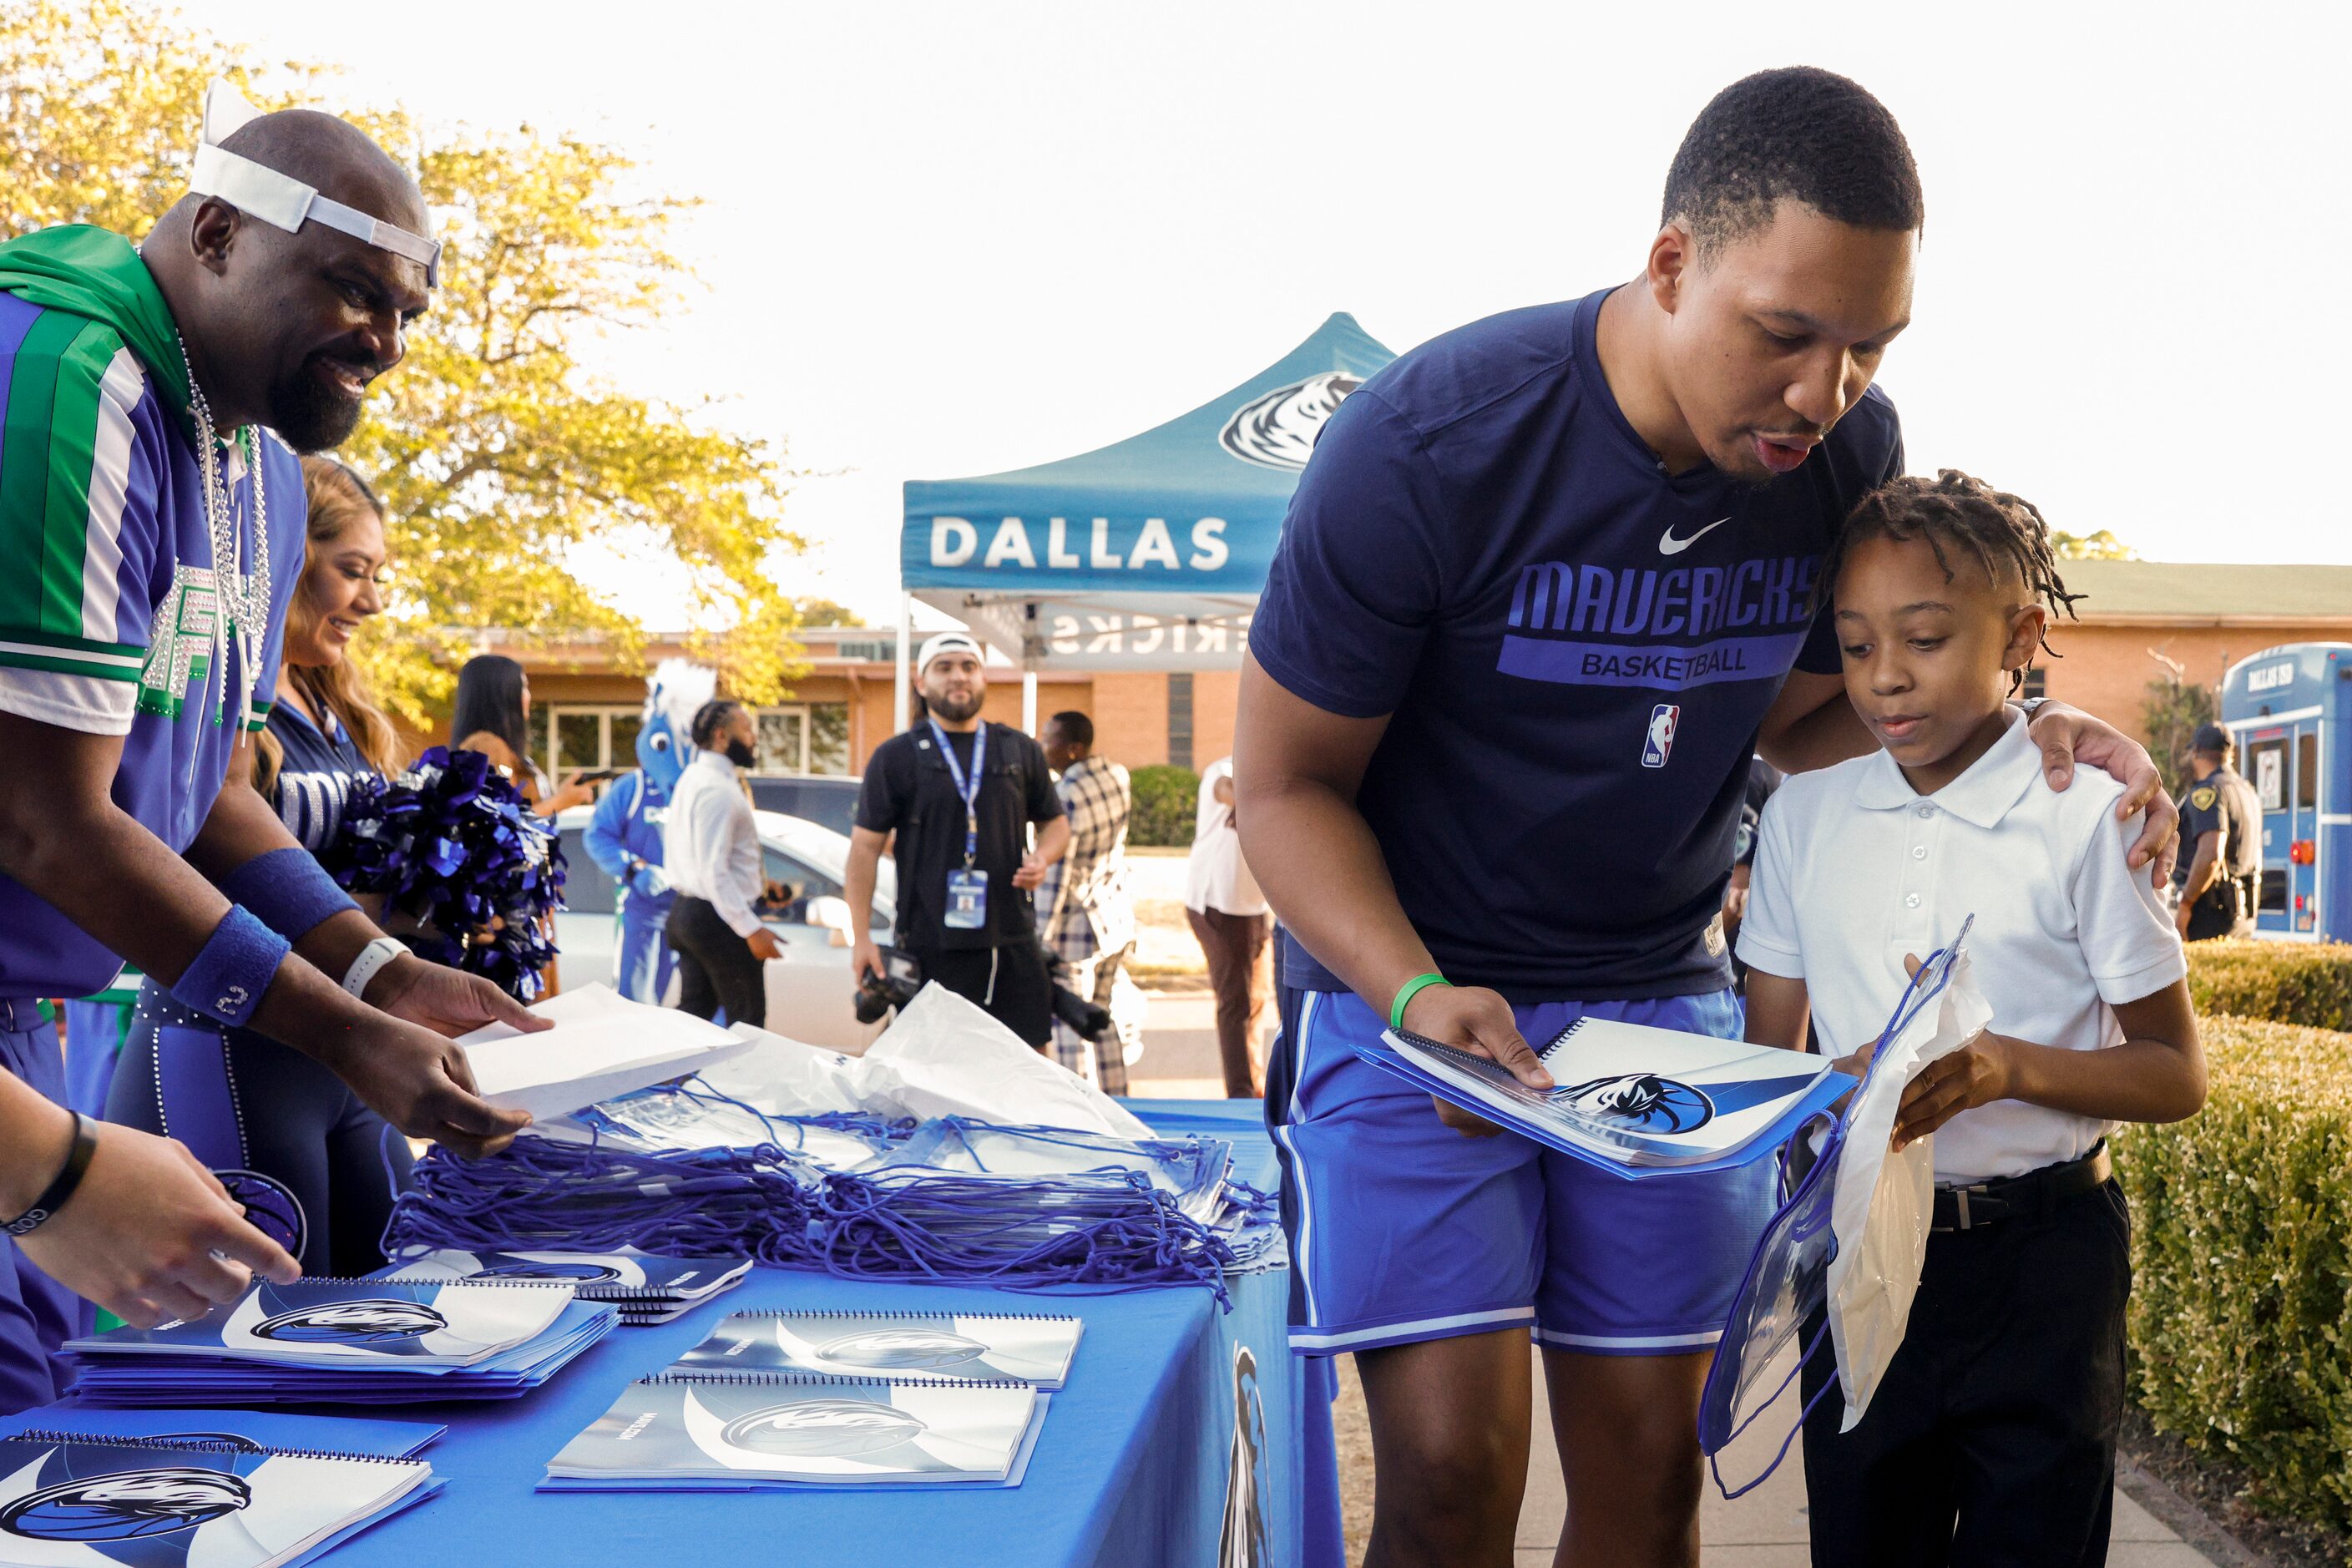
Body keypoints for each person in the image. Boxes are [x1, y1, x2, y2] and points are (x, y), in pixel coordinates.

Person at [1232, 68, 2177, 1567]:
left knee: (1647, 1482)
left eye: (1869, 346)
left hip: (1659, 1009)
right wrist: (1412, 984)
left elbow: (1807, 725)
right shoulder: (1426, 445)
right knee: (1446, 1477)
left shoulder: (1841, 460)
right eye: (1785, 335)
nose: (1826, 392)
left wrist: (2019, 727)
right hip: (1410, 999)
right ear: (1669, 263)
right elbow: (1282, 787)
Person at [0, 88, 539, 1413]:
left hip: (41, 1021)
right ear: (222, 233)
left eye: (409, 310)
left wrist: (376, 967)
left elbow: (203, 787)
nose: (388, 340)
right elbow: (40, 819)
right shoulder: (73, 380)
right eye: (356, 289)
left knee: (45, 1412)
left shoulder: (263, 465)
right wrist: (341, 1032)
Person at [1739, 470, 2204, 1565]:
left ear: (2020, 635)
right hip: (1859, 1251)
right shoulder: (1803, 816)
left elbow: (2172, 1073)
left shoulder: (2088, 815)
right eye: (1853, 646)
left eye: (1926, 638)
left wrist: (2003, 1065)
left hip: (2045, 1264)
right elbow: (1767, 1062)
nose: (1886, 678)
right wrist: (1826, 1084)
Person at [105, 457, 417, 1277]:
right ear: (283, 555)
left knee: (397, 1318)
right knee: (257, 1362)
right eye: (352, 570)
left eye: (378, 575)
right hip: (230, 1051)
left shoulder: (341, 712)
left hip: (351, 1057)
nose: (372, 600)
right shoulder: (214, 700)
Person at [846, 634, 1070, 1046]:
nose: (958, 677)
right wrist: (861, 938)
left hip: (1013, 943)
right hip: (931, 945)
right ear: (921, 682)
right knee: (934, 1073)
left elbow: (1056, 824)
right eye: (944, 667)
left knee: (1030, 1067)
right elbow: (864, 848)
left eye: (969, 667)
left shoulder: (1019, 750)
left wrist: (1042, 857)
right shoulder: (896, 757)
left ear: (983, 678)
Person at [583, 660, 715, 1003]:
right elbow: (597, 835)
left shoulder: (705, 792)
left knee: (694, 1010)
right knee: (635, 1004)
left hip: (694, 912)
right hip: (644, 911)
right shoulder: (633, 789)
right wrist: (633, 867)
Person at [1036, 711, 1136, 1091]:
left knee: (1071, 1029)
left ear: (1073, 749)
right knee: (1102, 1016)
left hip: (1076, 928)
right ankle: (1119, 1103)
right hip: (1115, 915)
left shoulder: (1067, 796)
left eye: (1050, 741)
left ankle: (1081, 1117)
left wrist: (1039, 938)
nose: (1043, 747)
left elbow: (1057, 875)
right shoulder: (1117, 775)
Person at [664, 700, 779, 1028]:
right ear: (720, 736)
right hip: (715, 918)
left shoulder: (694, 777)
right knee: (746, 1020)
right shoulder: (718, 790)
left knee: (694, 1016)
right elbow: (713, 870)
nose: (754, 738)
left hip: (690, 912)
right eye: (746, 729)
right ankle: (738, 1082)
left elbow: (701, 858)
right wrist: (751, 929)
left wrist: (763, 886)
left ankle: (669, 1077)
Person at [1185, 755, 1274, 1097]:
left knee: (1257, 997)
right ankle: (1240, 1095)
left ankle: (1253, 1085)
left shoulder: (1278, 772)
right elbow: (1229, 790)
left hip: (1252, 906)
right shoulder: (1223, 771)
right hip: (1217, 906)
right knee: (1236, 1001)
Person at [450, 653, 597, 817]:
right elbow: (495, 821)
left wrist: (560, 797)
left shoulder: (501, 749)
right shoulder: (486, 747)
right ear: (502, 694)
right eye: (523, 687)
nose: (528, 696)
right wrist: (559, 802)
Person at [2172, 723, 2260, 942]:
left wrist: (2186, 905)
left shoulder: (2207, 792)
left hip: (2208, 916)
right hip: (2243, 918)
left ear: (2196, 752)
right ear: (2229, 754)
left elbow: (2211, 853)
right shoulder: (2247, 790)